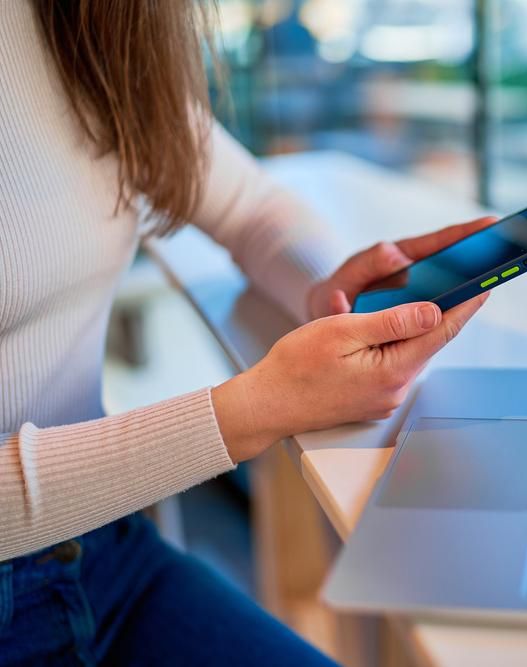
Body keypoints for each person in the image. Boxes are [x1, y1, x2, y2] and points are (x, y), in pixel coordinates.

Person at [0, 2, 490, 665]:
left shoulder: (83, 20)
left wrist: (330, 289)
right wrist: (257, 408)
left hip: (103, 554)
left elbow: (252, 208)